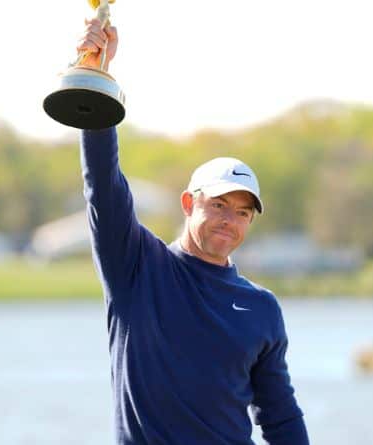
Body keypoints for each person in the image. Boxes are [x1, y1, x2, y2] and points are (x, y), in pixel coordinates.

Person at [74, 17, 309, 445]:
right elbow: (103, 186)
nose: (228, 221)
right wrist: (97, 77)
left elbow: (281, 417)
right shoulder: (137, 268)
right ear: (188, 203)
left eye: (241, 213)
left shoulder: (261, 309)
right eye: (218, 205)